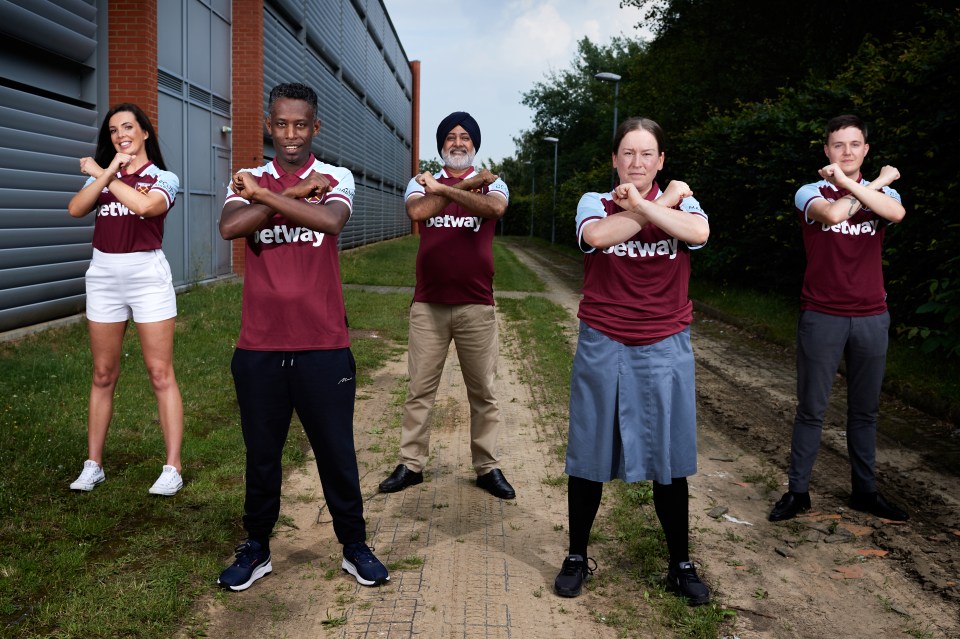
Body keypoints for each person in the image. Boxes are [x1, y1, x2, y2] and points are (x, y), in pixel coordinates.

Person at [216, 82, 388, 591]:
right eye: (281, 124)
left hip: (323, 344)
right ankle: (257, 547)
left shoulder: (335, 176)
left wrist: (267, 200)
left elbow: (330, 220)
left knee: (336, 451)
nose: (290, 135)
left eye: (300, 125)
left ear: (315, 128)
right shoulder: (248, 178)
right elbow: (231, 228)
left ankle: (354, 545)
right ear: (270, 126)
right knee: (262, 453)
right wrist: (284, 195)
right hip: (259, 346)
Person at [553, 117, 711, 606]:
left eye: (646, 154)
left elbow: (699, 231)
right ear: (615, 159)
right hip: (605, 341)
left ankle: (680, 564)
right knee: (590, 453)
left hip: (665, 343)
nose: (636, 162)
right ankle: (578, 556)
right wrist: (655, 203)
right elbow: (600, 237)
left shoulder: (687, 202)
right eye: (628, 153)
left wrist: (650, 206)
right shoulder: (592, 202)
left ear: (660, 160)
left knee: (670, 458)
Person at [769, 114, 908, 523]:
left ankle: (865, 492)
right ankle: (798, 492)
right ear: (826, 151)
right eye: (838, 145)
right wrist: (872, 183)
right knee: (811, 409)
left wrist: (867, 188)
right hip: (823, 315)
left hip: (871, 316)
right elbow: (832, 216)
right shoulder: (809, 191)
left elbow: (895, 216)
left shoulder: (887, 198)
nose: (846, 152)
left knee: (865, 412)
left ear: (865, 149)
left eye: (854, 144)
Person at [377, 111, 516, 500]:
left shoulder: (495, 184)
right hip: (428, 305)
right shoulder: (419, 183)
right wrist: (471, 185)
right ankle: (411, 464)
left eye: (465, 137)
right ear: (441, 145)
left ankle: (487, 467)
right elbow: (418, 212)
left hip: (476, 305)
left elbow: (495, 210)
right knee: (419, 389)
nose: (458, 142)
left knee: (483, 392)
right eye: (451, 137)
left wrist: (450, 187)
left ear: (475, 144)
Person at [66, 103, 184, 497]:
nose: (120, 134)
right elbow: (76, 209)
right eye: (114, 130)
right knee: (102, 374)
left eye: (128, 127)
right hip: (103, 274)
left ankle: (173, 467)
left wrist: (102, 173)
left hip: (146, 274)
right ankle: (93, 464)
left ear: (145, 132)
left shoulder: (163, 177)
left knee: (159, 373)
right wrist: (108, 173)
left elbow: (147, 207)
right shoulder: (107, 176)